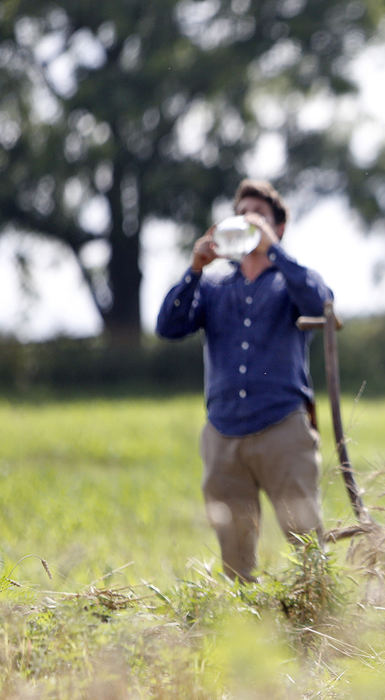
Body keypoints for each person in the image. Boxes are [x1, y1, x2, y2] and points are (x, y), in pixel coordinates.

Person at [156, 179, 332, 582]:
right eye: (244, 213)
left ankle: (324, 630)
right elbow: (168, 326)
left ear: (278, 227)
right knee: (234, 561)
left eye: (260, 215)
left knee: (307, 546)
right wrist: (194, 269)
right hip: (223, 435)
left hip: (283, 429)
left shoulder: (290, 281)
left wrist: (275, 250)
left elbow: (320, 304)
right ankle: (245, 636)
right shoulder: (215, 286)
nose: (249, 220)